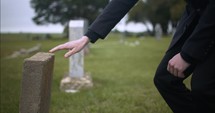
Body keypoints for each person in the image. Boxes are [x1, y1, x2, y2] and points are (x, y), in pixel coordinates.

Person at [49, 0, 215, 112]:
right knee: (166, 79)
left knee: (203, 88)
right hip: (196, 14)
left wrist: (187, 55)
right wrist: (87, 37)